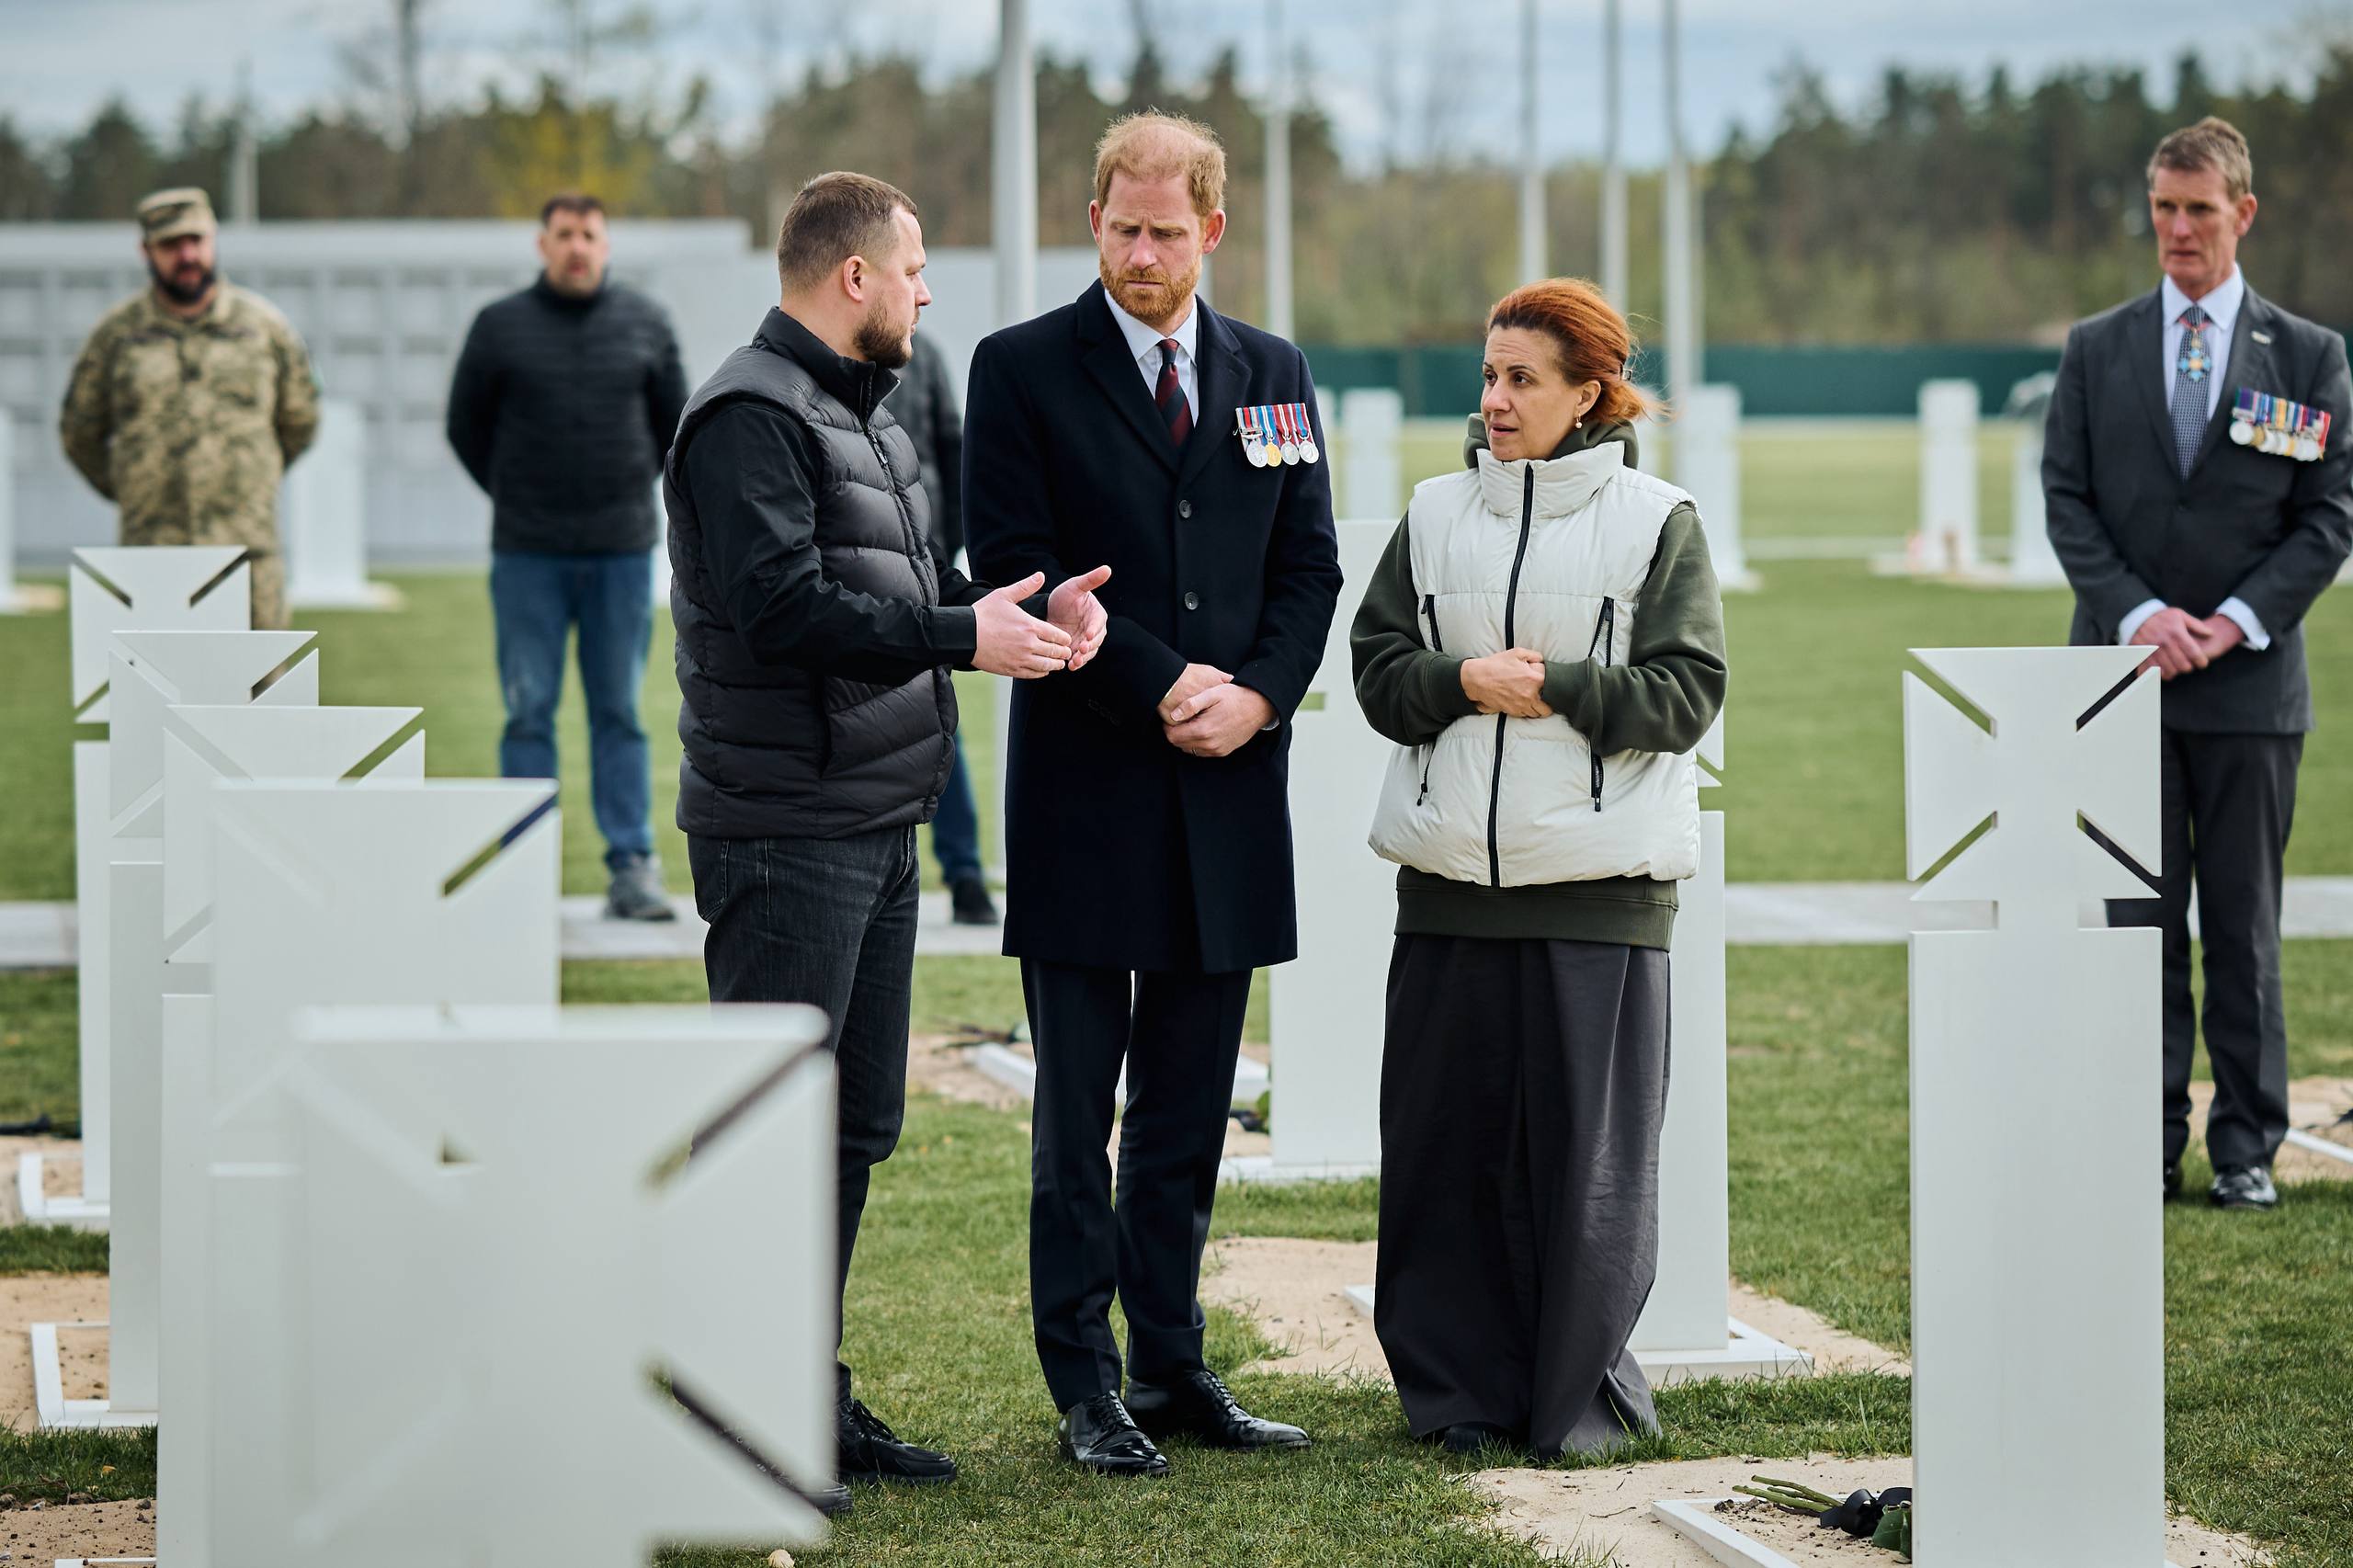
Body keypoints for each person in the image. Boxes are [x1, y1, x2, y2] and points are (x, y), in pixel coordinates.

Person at [663, 171, 1108, 1508]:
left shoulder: (863, 407)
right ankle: (729, 1411)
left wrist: (1007, 610)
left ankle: (799, 1386)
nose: (927, 292)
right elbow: (782, 607)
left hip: (873, 817)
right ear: (852, 275)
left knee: (852, 1126)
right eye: (914, 269)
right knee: (767, 1132)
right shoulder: (750, 412)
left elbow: (894, 592)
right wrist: (962, 636)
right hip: (783, 828)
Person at [963, 112, 1341, 1478]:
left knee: (1188, 1110)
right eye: (1120, 226)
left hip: (1229, 792)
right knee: (1078, 1116)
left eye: (1165, 231)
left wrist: (1256, 697)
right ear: (1095, 218)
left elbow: (1311, 570)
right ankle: (1086, 1382)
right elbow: (1009, 564)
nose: (1139, 251)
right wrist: (1168, 681)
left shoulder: (1272, 371)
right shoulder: (1016, 372)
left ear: (1213, 232)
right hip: (1087, 786)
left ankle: (1175, 1365)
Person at [1350, 278, 1726, 1460]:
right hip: (1448, 889)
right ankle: (1455, 1400)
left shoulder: (1659, 519)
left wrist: (1554, 684)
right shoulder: (1430, 511)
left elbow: (1685, 696)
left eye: (1522, 377)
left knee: (1586, 1180)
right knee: (1441, 1165)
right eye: (1488, 373)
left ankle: (1577, 1404)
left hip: (1602, 897)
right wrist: (1464, 680)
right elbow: (1376, 674)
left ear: (1587, 392)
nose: (1495, 398)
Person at [2044, 116, 2353, 1212]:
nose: (2177, 229)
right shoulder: (2096, 346)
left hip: (2249, 692)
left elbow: (2326, 519)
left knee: (2241, 923)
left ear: (2243, 214)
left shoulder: (2310, 357)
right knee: (2133, 923)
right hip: (2120, 683)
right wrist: (2137, 615)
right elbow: (2066, 502)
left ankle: (2245, 1148)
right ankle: (2141, 1137)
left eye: (2199, 210)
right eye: (2163, 208)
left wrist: (2224, 622)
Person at [446, 193, 690, 923]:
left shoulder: (645, 323)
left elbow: (674, 427)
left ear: (606, 245)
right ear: (542, 244)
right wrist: (517, 493)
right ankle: (522, 865)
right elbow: (465, 427)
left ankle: (632, 867)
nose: (577, 247)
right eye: (564, 235)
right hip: (528, 554)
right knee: (528, 711)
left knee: (619, 712)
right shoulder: (499, 326)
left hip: (620, 551)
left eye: (589, 235)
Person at [59, 187, 320, 631]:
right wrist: (135, 486)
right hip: (153, 556)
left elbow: (299, 420)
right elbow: (79, 432)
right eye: (170, 245)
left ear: (213, 239)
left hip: (246, 554)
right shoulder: (117, 336)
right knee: (154, 693)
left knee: (259, 694)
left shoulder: (262, 328)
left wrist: (245, 476)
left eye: (195, 240)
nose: (187, 255)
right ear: (146, 251)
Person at [892, 331, 998, 925]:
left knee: (937, 719)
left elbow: (952, 448)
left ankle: (964, 872)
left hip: (922, 563)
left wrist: (946, 551)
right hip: (862, 574)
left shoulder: (925, 354)